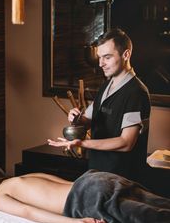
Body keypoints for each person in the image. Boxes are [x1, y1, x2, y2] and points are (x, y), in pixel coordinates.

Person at [48, 28, 151, 183]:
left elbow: (126, 143)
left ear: (126, 55)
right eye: (100, 57)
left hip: (121, 181)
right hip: (97, 174)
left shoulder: (136, 93)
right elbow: (87, 120)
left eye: (107, 57)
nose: (101, 63)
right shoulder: (106, 86)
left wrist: (82, 143)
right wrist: (76, 118)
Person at [0, 168, 170, 223]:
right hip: (95, 178)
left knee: (158, 221)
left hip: (86, 197)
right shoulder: (23, 176)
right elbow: (60, 181)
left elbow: (28, 212)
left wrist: (77, 222)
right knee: (160, 204)